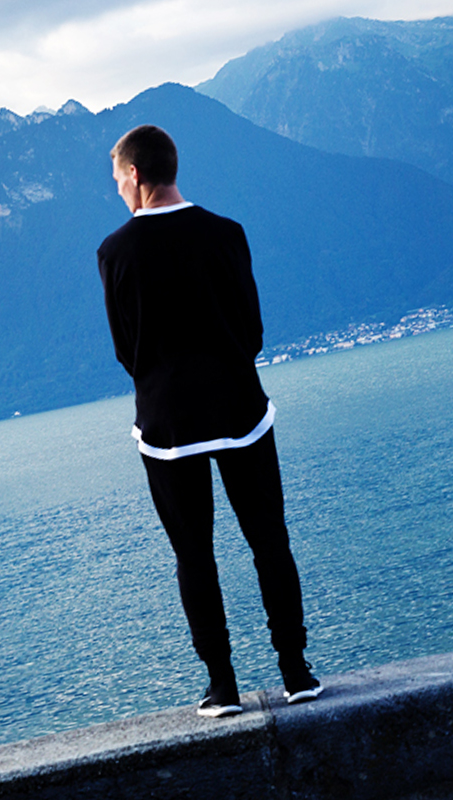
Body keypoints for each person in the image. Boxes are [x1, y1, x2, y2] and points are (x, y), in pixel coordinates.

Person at [97, 124, 323, 718]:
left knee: (194, 556)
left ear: (137, 175)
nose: (118, 188)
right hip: (240, 408)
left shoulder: (114, 253)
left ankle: (222, 687)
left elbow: (127, 350)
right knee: (269, 541)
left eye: (118, 177)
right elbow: (252, 329)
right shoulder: (227, 234)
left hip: (166, 423)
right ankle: (296, 670)